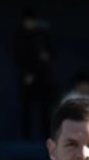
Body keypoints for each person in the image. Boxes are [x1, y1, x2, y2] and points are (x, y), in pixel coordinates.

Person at [13, 6, 55, 141]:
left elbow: (49, 54)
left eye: (31, 21)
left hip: (42, 78)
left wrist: (46, 57)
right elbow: (17, 57)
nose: (29, 24)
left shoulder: (42, 35)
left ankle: (47, 136)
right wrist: (26, 74)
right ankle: (25, 139)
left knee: (45, 109)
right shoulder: (19, 37)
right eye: (27, 21)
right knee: (26, 110)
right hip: (26, 80)